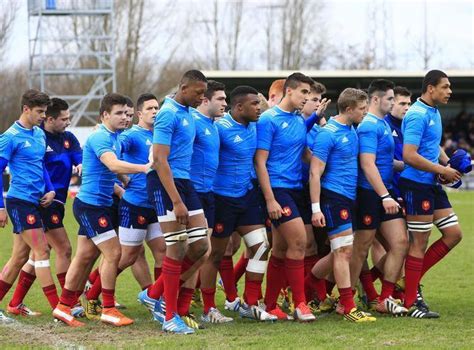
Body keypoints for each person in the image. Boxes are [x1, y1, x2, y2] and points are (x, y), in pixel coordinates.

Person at [53, 93, 149, 327]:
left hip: (99, 205)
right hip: (91, 207)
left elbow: (111, 171)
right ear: (105, 115)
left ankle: (63, 307)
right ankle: (107, 308)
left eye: (127, 113)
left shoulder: (115, 136)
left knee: (85, 256)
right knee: (114, 253)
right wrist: (144, 168)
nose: (125, 118)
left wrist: (123, 183)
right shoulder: (100, 137)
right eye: (119, 113)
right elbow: (112, 164)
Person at [138, 70, 210, 334]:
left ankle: (153, 293)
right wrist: (177, 201)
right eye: (198, 92)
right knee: (177, 248)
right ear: (183, 88)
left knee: (202, 245)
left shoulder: (189, 114)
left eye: (205, 93)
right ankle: (169, 316)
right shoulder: (168, 113)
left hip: (185, 182)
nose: (202, 97)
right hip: (164, 182)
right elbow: (159, 160)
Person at [82, 94, 166, 317]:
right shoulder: (129, 136)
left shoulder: (160, 135)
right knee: (126, 256)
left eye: (157, 107)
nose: (155, 111)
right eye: (150, 108)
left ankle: (158, 297)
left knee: (163, 251)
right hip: (134, 204)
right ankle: (93, 292)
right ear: (140, 113)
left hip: (156, 205)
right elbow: (112, 156)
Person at [200, 86, 276, 323]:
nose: (259, 108)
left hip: (247, 197)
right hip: (221, 199)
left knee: (262, 246)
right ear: (239, 107)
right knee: (216, 255)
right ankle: (209, 308)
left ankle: (250, 303)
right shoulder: (219, 129)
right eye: (254, 104)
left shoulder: (256, 126)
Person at [6, 98, 82, 318]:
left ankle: (15, 302)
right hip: (32, 203)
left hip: (52, 201)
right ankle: (65, 304)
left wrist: (80, 164)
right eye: (64, 119)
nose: (68, 122)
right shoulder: (22, 137)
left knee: (23, 256)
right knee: (56, 250)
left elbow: (73, 158)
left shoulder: (57, 137)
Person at [399, 70, 462, 318]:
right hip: (416, 184)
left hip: (431, 184)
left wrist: (449, 164)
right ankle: (410, 301)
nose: (449, 91)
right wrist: (441, 169)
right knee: (419, 243)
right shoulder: (416, 114)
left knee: (453, 234)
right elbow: (409, 155)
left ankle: (409, 283)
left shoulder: (433, 111)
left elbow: (431, 145)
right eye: (445, 87)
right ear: (430, 88)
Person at [309, 88, 376, 322]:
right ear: (348, 109)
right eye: (361, 109)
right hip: (334, 197)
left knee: (342, 249)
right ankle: (347, 306)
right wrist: (316, 208)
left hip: (350, 197)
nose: (365, 113)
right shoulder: (328, 134)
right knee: (343, 251)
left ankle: (312, 283)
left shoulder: (352, 130)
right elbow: (315, 172)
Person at [255, 72, 316, 322]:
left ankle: (271, 305)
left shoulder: (299, 120)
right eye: (303, 92)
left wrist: (323, 165)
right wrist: (270, 199)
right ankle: (300, 304)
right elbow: (259, 161)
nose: (307, 98)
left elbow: (303, 153)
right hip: (277, 188)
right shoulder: (268, 119)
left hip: (295, 188)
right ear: (288, 91)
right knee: (300, 242)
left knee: (280, 249)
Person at [349, 79, 408, 315]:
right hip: (369, 194)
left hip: (385, 193)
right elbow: (367, 163)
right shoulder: (368, 126)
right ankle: (346, 299)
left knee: (400, 243)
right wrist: (384, 195)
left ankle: (385, 298)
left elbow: (385, 162)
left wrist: (411, 166)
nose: (394, 103)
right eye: (391, 99)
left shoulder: (382, 124)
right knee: (360, 249)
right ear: (376, 99)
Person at [0, 89, 59, 323]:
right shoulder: (10, 137)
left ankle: (14, 304)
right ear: (26, 109)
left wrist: (50, 188)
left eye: (45, 112)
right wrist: (0, 207)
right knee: (42, 250)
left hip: (36, 202)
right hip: (19, 201)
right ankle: (59, 308)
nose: (43, 116)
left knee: (19, 257)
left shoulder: (39, 134)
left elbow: (40, 165)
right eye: (39, 112)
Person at [187, 80, 233, 324]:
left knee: (205, 254)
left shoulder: (214, 125)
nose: (225, 103)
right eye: (221, 99)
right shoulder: (192, 122)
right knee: (191, 253)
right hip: (190, 193)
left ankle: (205, 308)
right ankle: (159, 297)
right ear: (205, 100)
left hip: (209, 194)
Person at [370, 86, 412, 283]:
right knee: (365, 246)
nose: (406, 107)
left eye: (408, 103)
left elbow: (389, 161)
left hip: (394, 192)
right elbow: (367, 162)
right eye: (401, 103)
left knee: (400, 244)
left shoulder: (405, 126)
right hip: (374, 193)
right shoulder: (376, 124)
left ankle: (383, 290)